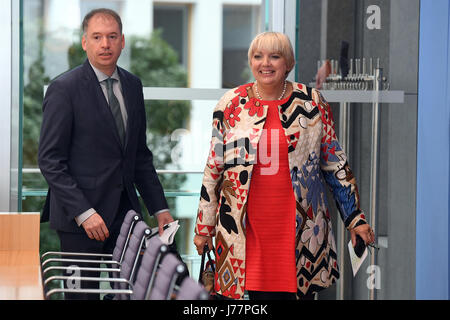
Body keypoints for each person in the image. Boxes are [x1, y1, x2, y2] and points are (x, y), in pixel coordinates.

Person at [193, 32, 375, 300]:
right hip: (245, 230)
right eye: (258, 56)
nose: (265, 63)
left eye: (274, 56)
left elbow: (335, 165)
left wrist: (354, 218)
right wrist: (204, 227)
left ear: (288, 62)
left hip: (299, 230)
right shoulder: (231, 104)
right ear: (251, 61)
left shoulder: (312, 102)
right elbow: (214, 170)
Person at [38, 8, 173, 299]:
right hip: (80, 221)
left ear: (122, 41)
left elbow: (139, 156)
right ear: (84, 42)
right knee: (81, 298)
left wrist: (160, 208)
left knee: (130, 294)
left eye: (112, 37)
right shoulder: (64, 88)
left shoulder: (133, 86)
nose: (105, 44)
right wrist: (84, 213)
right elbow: (50, 161)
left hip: (126, 219)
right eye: (97, 37)